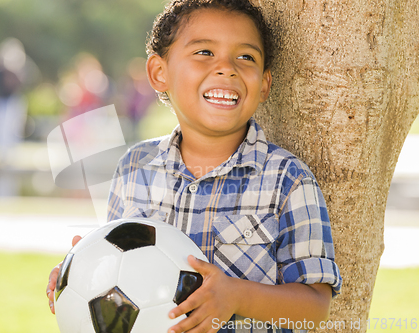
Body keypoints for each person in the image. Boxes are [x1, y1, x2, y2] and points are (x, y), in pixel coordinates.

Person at [47, 1, 342, 332]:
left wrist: (238, 297)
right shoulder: (135, 168)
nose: (226, 68)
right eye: (204, 52)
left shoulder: (287, 180)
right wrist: (84, 271)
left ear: (264, 85)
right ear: (160, 73)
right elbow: (123, 269)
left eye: (246, 57)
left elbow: (316, 306)